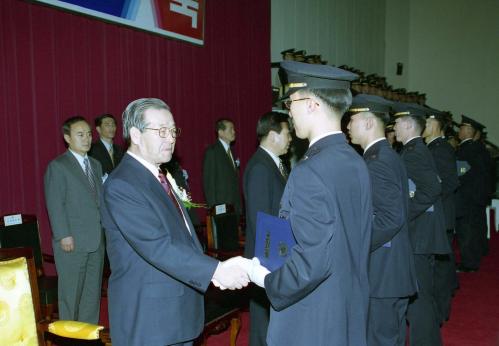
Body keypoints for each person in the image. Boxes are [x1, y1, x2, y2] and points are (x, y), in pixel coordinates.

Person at [100, 98, 251, 346]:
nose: (170, 138)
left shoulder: (158, 175)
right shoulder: (123, 184)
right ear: (135, 135)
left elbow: (181, 236)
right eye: (161, 131)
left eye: (172, 130)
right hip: (151, 317)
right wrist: (216, 271)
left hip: (176, 309)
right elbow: (157, 246)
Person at [247, 61, 373, 345]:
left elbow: (311, 262)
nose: (289, 111)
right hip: (347, 309)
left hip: (313, 319)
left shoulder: (310, 170)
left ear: (312, 104)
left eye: (291, 102)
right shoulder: (355, 161)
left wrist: (265, 280)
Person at [347, 95, 417, 346]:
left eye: (352, 119)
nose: (347, 125)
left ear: (368, 123)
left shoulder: (377, 162)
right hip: (390, 271)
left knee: (380, 339)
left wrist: (356, 244)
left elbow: (390, 218)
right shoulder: (383, 155)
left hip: (383, 273)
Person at [393, 104, 451, 346]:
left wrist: (405, 213)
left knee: (419, 299)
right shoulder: (416, 149)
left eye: (396, 123)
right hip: (421, 235)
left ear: (407, 124)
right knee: (420, 296)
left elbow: (431, 188)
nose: (393, 127)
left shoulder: (414, 152)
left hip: (419, 236)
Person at [44, 116, 104, 323]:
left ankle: (88, 337)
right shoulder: (58, 166)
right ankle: (68, 339)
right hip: (72, 241)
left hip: (96, 240)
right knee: (70, 296)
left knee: (91, 295)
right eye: (80, 135)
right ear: (67, 138)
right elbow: (55, 203)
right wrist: (63, 235)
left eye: (89, 134)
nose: (87, 139)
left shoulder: (95, 165)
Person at [243, 111, 292, 346]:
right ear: (273, 135)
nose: (290, 138)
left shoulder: (274, 163)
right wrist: (271, 265)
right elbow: (260, 220)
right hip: (266, 259)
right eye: (287, 133)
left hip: (275, 255)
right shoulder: (261, 167)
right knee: (262, 325)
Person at [422, 111, 459, 323]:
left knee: (441, 270)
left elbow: (450, 182)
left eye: (427, 121)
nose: (423, 125)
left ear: (437, 125)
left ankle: (439, 313)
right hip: (435, 218)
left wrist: (428, 197)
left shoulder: (441, 149)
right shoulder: (431, 148)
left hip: (441, 217)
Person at [202, 118, 242, 249]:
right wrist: (214, 211)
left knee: (233, 247)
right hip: (221, 212)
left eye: (234, 129)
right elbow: (209, 184)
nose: (234, 131)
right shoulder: (212, 152)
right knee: (224, 249)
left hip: (233, 210)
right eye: (231, 129)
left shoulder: (230, 152)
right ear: (221, 132)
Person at [455, 115, 487, 272]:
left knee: (466, 231)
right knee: (476, 228)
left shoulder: (465, 150)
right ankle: (476, 255)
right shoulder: (480, 148)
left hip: (467, 197)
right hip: (478, 196)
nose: (458, 131)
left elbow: (460, 173)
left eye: (461, 128)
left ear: (468, 130)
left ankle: (469, 263)